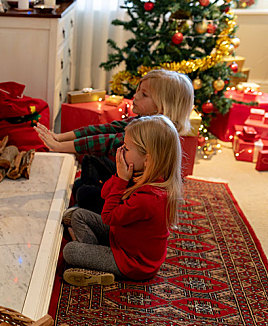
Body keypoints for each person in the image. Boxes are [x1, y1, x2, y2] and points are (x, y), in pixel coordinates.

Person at [34, 69, 193, 212]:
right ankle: (85, 203)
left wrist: (59, 147)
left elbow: (107, 142)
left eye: (144, 94)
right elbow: (104, 129)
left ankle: (87, 213)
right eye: (138, 90)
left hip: (131, 199)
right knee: (89, 163)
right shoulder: (143, 120)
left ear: (162, 107)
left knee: (83, 192)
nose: (135, 96)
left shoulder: (153, 135)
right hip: (124, 180)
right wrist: (59, 137)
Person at [61, 115, 183, 286]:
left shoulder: (150, 199)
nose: (121, 150)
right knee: (79, 215)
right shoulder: (142, 174)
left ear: (147, 159)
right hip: (121, 239)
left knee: (70, 251)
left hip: (133, 263)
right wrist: (120, 176)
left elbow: (108, 217)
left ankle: (95, 267)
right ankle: (94, 256)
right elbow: (105, 194)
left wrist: (121, 181)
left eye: (126, 148)